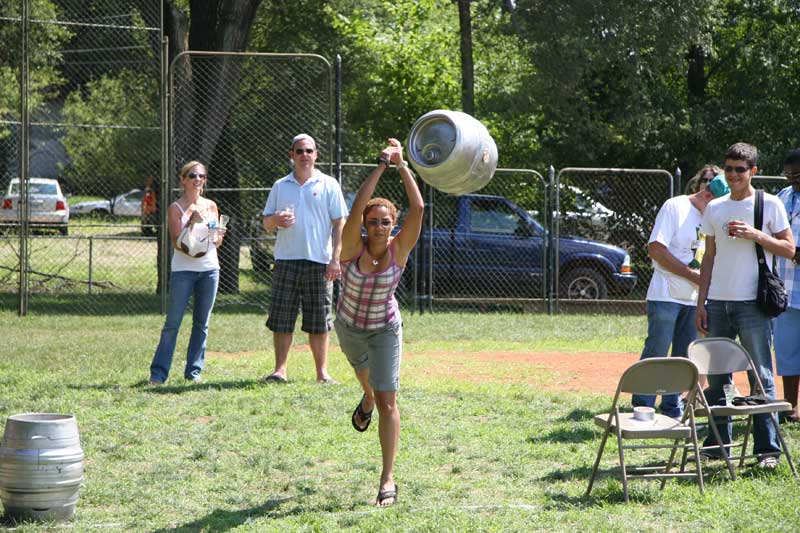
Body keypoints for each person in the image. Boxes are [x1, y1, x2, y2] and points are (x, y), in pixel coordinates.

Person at [334, 138, 423, 507]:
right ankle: (366, 396)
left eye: (386, 222)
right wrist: (381, 165)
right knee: (366, 381)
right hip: (350, 327)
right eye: (373, 222)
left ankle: (387, 478)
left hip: (385, 328)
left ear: (392, 225)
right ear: (366, 226)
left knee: (389, 401)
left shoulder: (399, 248)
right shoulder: (352, 246)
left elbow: (418, 207)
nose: (380, 227)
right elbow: (356, 208)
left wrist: (403, 165)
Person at [694, 142, 795, 469]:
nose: (734, 175)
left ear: (753, 171)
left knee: (761, 376)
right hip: (719, 302)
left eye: (740, 169)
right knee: (717, 375)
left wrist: (755, 235)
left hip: (754, 303)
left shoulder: (770, 204)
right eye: (729, 169)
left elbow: (789, 249)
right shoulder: (715, 208)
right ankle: (717, 443)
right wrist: (702, 302)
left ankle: (767, 450)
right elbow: (708, 257)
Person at [631, 164, 724, 419]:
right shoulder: (676, 206)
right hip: (666, 293)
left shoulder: (716, 214)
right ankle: (643, 406)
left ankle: (672, 407)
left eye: (715, 182)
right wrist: (692, 274)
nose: (709, 187)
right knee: (657, 350)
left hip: (696, 297)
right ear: (700, 185)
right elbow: (656, 249)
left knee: (685, 355)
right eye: (706, 181)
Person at [261, 134, 347, 384]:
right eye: (299, 151)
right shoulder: (280, 186)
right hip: (286, 260)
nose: (304, 155)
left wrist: (335, 259)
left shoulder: (328, 184)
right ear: (292, 154)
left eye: (309, 150)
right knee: (282, 318)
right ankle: (280, 370)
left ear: (316, 154)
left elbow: (339, 222)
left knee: (319, 320)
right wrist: (276, 220)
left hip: (320, 261)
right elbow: (266, 223)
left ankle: (322, 373)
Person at [149, 161, 226, 385]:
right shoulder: (176, 208)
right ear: (183, 180)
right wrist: (191, 223)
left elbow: (217, 241)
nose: (197, 180)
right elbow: (177, 244)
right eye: (192, 175)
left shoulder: (211, 206)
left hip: (210, 269)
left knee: (202, 324)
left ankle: (193, 372)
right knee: (173, 323)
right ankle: (158, 374)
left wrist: (218, 233)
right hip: (184, 271)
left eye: (201, 176)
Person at [774, 148, 800, 423]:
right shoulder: (782, 198)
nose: (794, 180)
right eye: (789, 175)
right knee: (787, 352)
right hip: (787, 290)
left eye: (798, 175)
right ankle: (790, 407)